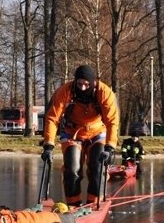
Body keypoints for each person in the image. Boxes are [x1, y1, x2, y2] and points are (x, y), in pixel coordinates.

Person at [41, 65, 120, 206]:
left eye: (86, 84)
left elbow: (112, 121)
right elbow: (52, 118)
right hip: (72, 133)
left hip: (97, 133)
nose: (83, 88)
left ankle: (93, 203)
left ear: (93, 82)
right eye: (79, 84)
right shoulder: (65, 91)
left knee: (97, 167)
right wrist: (48, 145)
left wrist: (109, 147)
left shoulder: (105, 92)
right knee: (71, 170)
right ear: (75, 81)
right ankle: (73, 205)